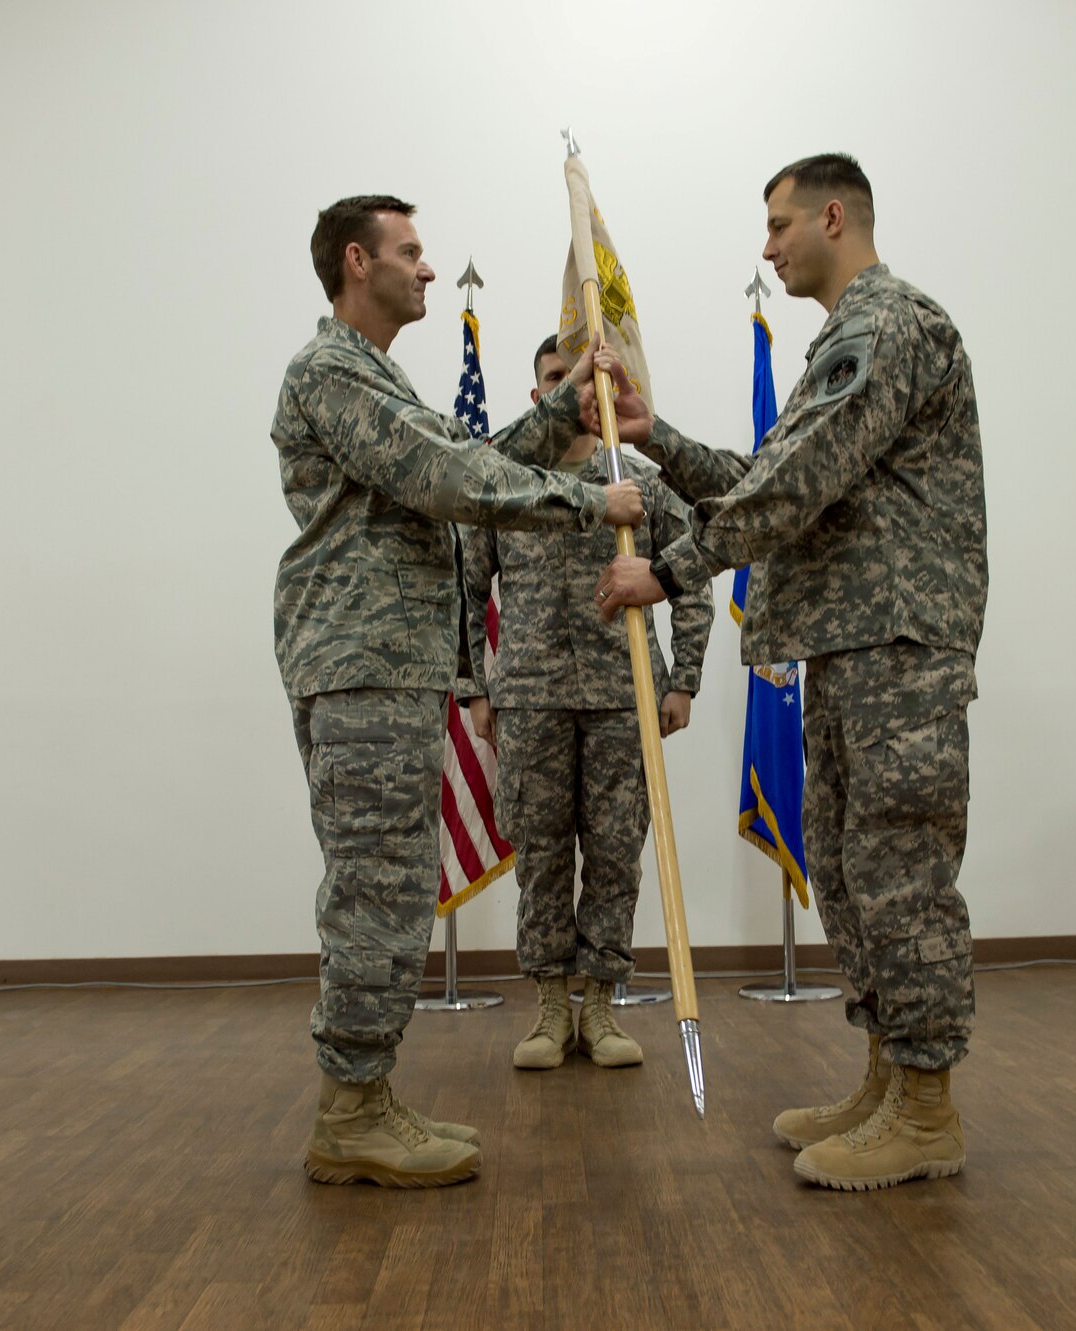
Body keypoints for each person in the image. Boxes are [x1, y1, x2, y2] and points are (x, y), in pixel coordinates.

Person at [594, 154, 987, 1191]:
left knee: (898, 869)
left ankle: (927, 1107)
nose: (765, 248)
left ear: (832, 215)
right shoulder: (842, 341)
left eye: (776, 226)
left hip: (897, 642)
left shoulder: (887, 324)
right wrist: (657, 441)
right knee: (852, 868)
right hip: (851, 640)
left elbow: (792, 481)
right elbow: (778, 477)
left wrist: (668, 566)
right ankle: (884, 1080)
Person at [273, 194, 644, 1187]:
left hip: (389, 663)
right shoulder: (329, 373)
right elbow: (444, 478)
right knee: (373, 893)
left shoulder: (376, 376)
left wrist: (565, 410)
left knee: (391, 889)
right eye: (410, 251)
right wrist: (584, 494)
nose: (428, 268)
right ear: (358, 262)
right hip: (357, 664)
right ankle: (348, 1111)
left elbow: (467, 457)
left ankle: (366, 1095)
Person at [457, 335, 713, 1074]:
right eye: (554, 379)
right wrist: (473, 687)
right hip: (530, 698)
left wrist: (683, 677)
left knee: (612, 852)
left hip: (619, 696)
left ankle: (599, 1004)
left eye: (580, 380)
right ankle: (547, 1006)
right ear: (537, 394)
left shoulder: (639, 486)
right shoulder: (505, 489)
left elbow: (690, 577)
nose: (571, 392)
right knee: (538, 852)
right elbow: (464, 591)